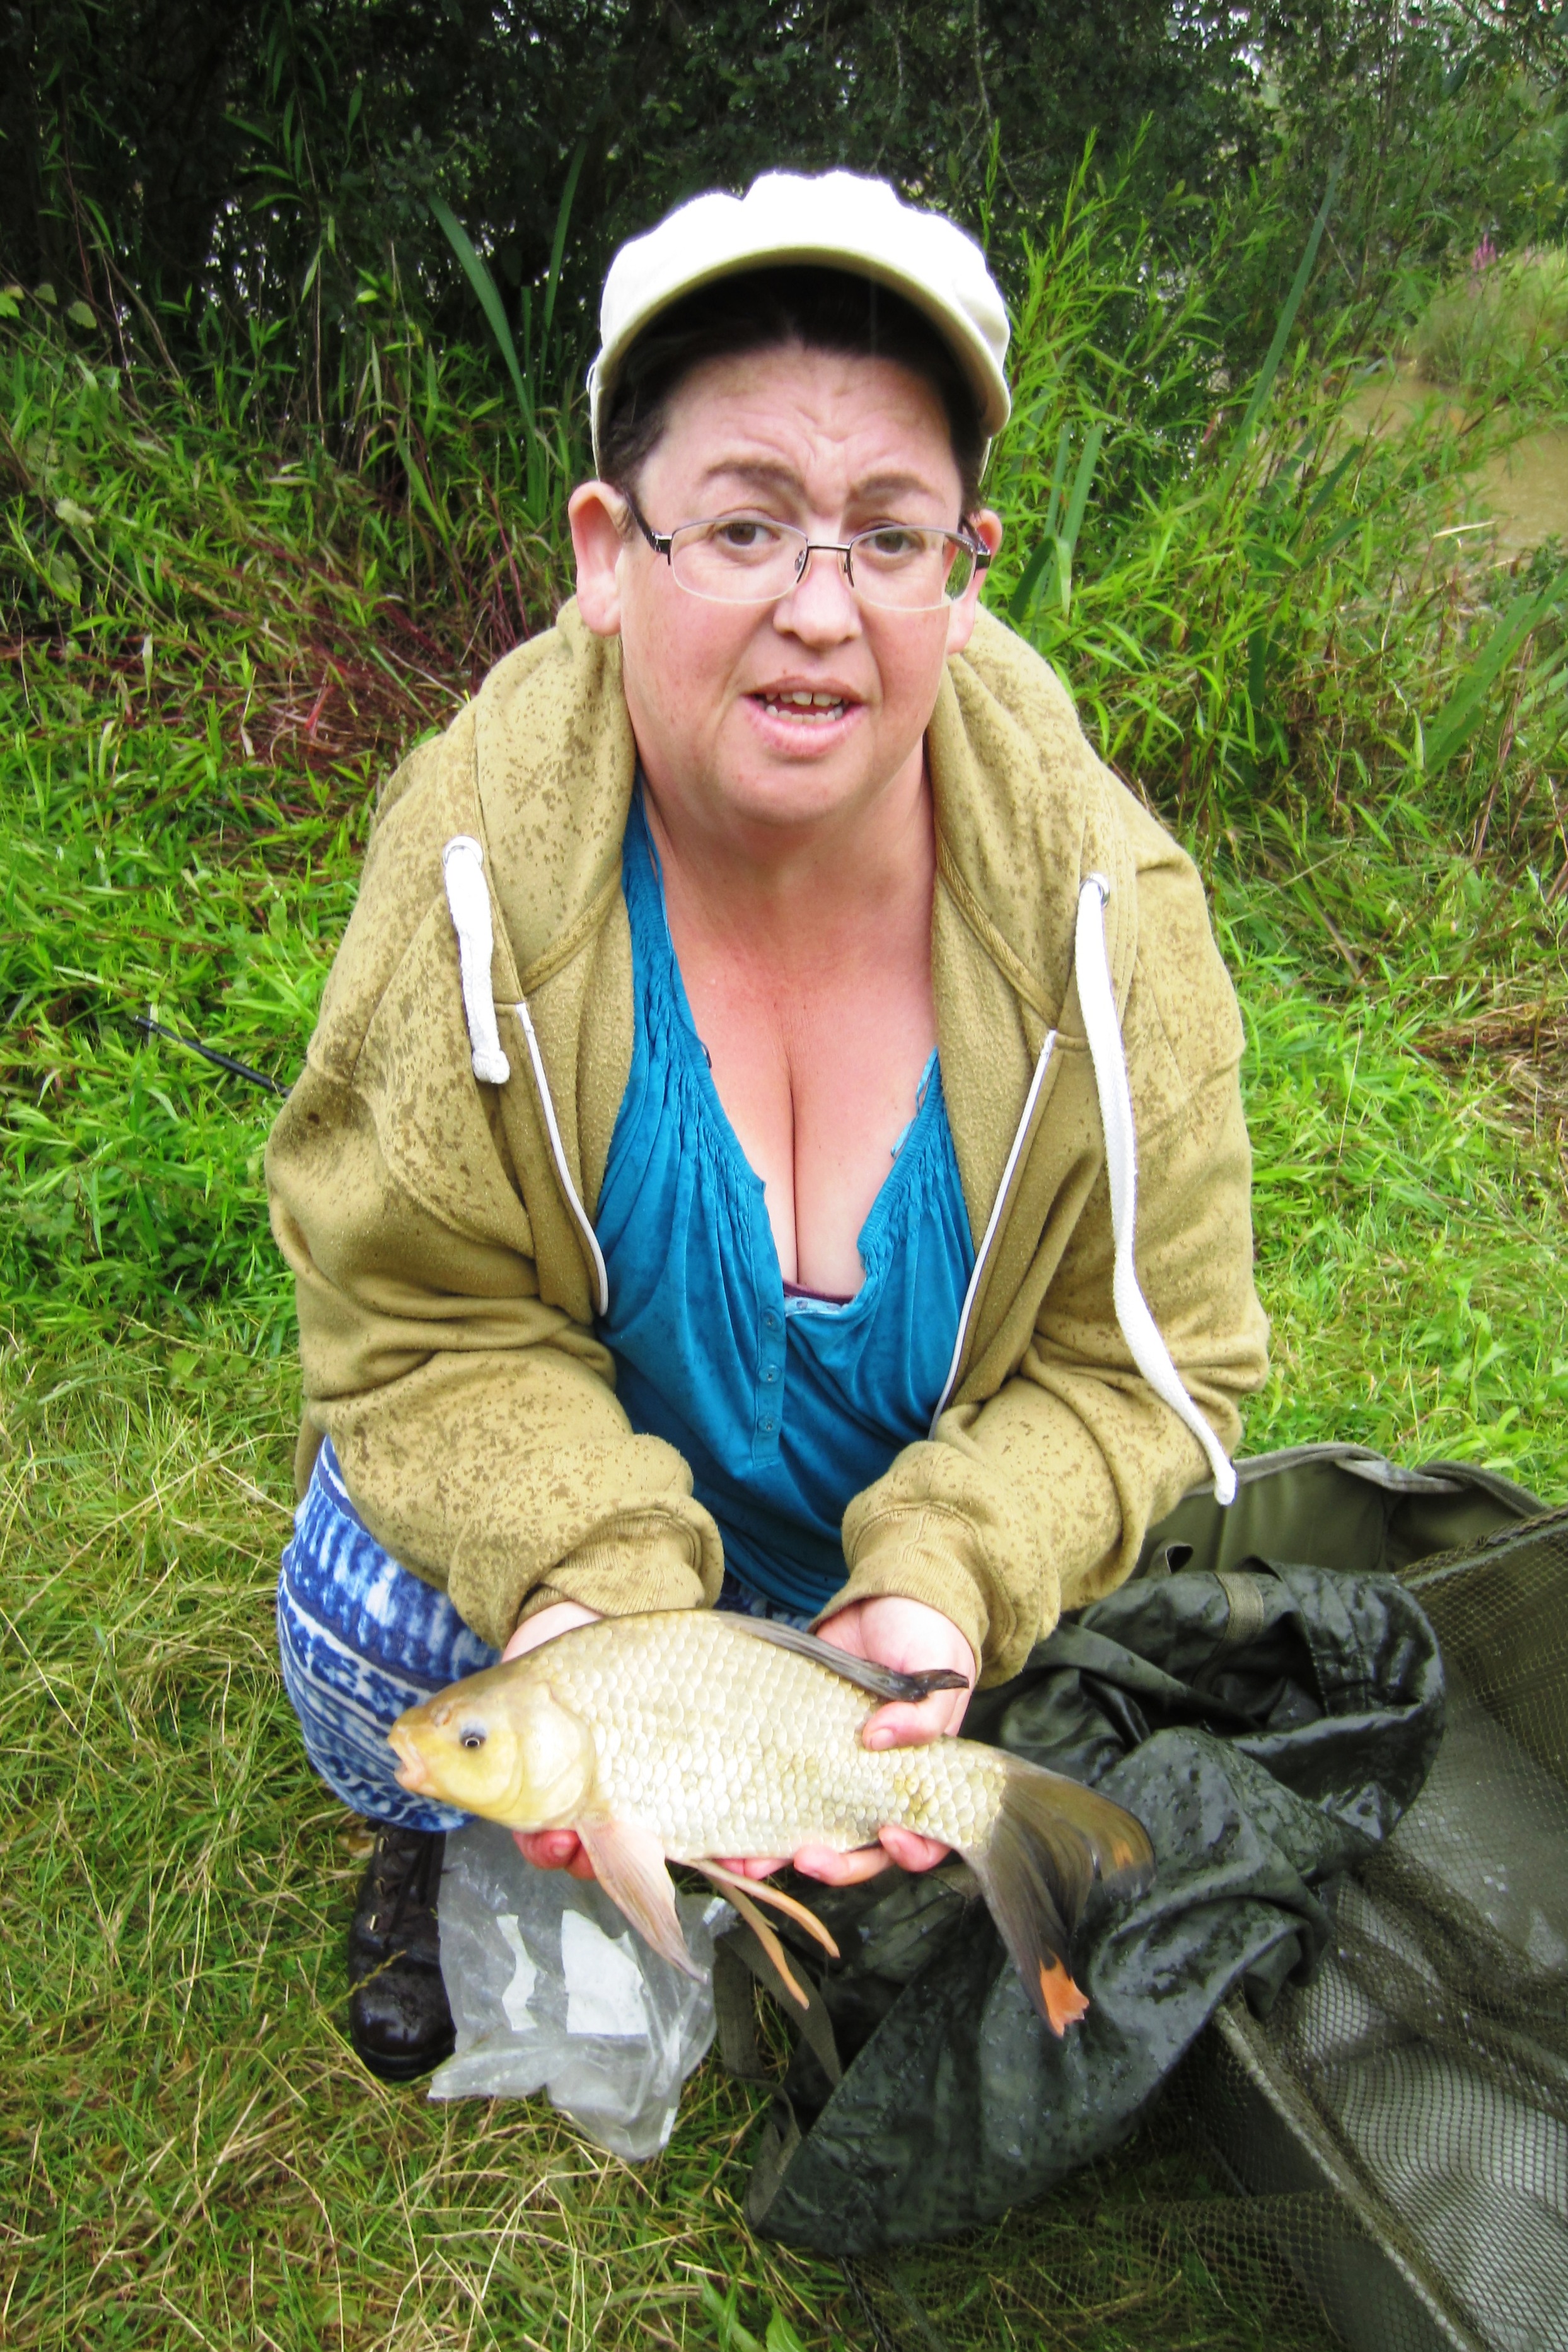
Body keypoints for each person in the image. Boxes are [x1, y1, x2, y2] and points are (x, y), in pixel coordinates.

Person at [266, 169, 1269, 2083]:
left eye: (888, 537)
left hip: (893, 1604)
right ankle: (444, 1823)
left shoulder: (1114, 917)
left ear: (966, 574)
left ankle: (833, 1790)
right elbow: (412, 1326)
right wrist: (580, 1597)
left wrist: (951, 1575)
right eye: (744, 524)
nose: (822, 610)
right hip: (595, 1574)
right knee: (357, 1631)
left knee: (1023, 1681)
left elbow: (1169, 1367)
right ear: (605, 547)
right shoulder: (471, 865)